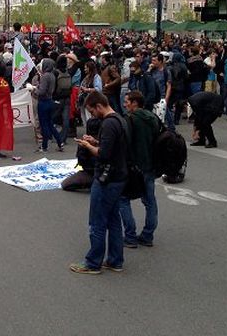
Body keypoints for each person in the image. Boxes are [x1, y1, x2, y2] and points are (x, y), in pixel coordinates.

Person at [70, 91, 127, 274]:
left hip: (106, 178)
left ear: (99, 106)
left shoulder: (109, 124)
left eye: (92, 111)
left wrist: (88, 146)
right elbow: (113, 147)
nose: (92, 115)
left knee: (97, 221)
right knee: (113, 219)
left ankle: (93, 263)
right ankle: (115, 260)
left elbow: (104, 154)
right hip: (118, 176)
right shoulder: (120, 119)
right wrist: (95, 141)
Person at [119, 91, 161, 248]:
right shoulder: (153, 117)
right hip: (151, 165)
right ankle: (148, 235)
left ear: (135, 103)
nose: (125, 104)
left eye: (127, 101)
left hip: (134, 166)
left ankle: (130, 236)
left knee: (123, 199)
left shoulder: (131, 120)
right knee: (150, 201)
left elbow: (125, 143)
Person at [61, 117, 101, 191]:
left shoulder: (86, 143)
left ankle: (92, 183)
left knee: (65, 184)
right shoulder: (105, 138)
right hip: (103, 171)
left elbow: (81, 162)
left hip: (92, 172)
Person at [36, 58, 64, 153]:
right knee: (50, 124)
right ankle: (60, 142)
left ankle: (44, 146)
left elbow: (41, 91)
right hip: (50, 101)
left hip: (43, 102)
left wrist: (34, 89)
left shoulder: (45, 76)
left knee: (44, 125)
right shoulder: (52, 75)